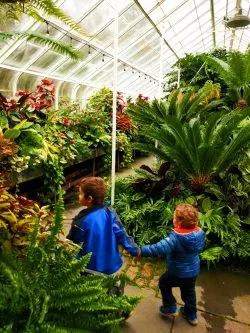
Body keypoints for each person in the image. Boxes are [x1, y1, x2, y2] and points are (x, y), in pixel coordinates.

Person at [137, 203, 205, 326]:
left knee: (164, 283)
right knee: (189, 292)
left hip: (177, 272)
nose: (172, 218)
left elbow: (158, 248)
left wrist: (141, 250)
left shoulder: (175, 238)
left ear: (178, 223)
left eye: (174, 217)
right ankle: (192, 315)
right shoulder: (200, 233)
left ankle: (169, 307)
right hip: (193, 271)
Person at [67, 177, 139, 275]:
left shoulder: (81, 220)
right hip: (110, 265)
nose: (78, 196)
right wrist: (134, 250)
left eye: (80, 193)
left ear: (89, 199)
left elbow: (73, 242)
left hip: (89, 268)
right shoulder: (110, 212)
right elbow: (122, 234)